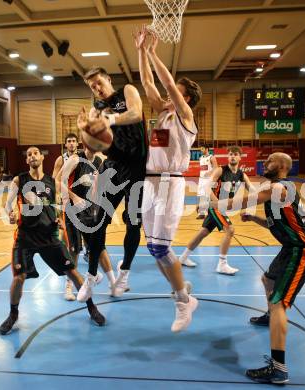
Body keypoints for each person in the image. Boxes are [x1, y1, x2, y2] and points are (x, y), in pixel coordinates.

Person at [215, 152, 305, 384]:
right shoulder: (277, 190)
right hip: (290, 248)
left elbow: (244, 200)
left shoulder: (279, 188)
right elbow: (274, 223)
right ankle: (268, 316)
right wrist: (255, 220)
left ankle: (279, 369)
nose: (266, 163)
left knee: (279, 304)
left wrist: (216, 203)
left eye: (271, 160)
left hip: (302, 251)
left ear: (282, 166)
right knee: (267, 280)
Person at [0, 146, 105, 335]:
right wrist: (11, 214)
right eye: (29, 154)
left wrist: (68, 208)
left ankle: (91, 307)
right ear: (27, 160)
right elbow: (8, 205)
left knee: (72, 271)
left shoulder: (51, 182)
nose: (32, 156)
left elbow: (65, 197)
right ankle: (13, 314)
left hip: (49, 237)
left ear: (41, 157)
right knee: (19, 278)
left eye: (35, 153)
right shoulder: (19, 180)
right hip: (25, 237)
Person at [135, 26, 201, 332]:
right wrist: (140, 50)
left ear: (185, 98)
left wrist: (153, 51)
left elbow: (167, 83)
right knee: (152, 248)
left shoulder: (186, 117)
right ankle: (184, 294)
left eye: (177, 92)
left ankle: (182, 302)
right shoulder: (162, 114)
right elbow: (148, 82)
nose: (168, 94)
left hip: (170, 182)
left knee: (161, 249)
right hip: (149, 182)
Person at [76, 66, 147, 301]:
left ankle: (124, 274)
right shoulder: (97, 109)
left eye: (98, 82)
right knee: (97, 222)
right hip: (113, 165)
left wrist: (111, 118)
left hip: (136, 167)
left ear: (107, 79)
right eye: (92, 86)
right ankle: (91, 275)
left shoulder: (127, 91)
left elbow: (136, 113)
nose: (96, 88)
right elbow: (91, 149)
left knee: (133, 224)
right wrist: (85, 131)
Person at [180, 146, 254, 274]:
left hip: (220, 207)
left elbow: (253, 190)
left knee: (203, 232)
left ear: (240, 157)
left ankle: (183, 257)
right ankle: (222, 264)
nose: (232, 156)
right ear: (228, 157)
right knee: (230, 230)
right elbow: (207, 187)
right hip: (215, 206)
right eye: (230, 154)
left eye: (235, 154)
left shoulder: (242, 175)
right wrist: (217, 203)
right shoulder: (220, 170)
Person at [56, 146, 117, 298]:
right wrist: (73, 197)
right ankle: (68, 287)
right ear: (85, 142)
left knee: (99, 247)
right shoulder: (75, 159)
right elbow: (56, 181)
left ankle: (113, 283)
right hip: (72, 209)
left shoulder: (99, 161)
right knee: (74, 249)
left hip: (91, 210)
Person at [196, 144, 217, 219]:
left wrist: (209, 173)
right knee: (201, 196)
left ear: (207, 149)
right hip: (201, 179)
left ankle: (211, 213)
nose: (201, 150)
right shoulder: (200, 158)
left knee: (208, 196)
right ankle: (202, 213)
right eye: (200, 149)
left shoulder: (212, 157)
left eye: (202, 148)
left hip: (209, 179)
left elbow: (216, 168)